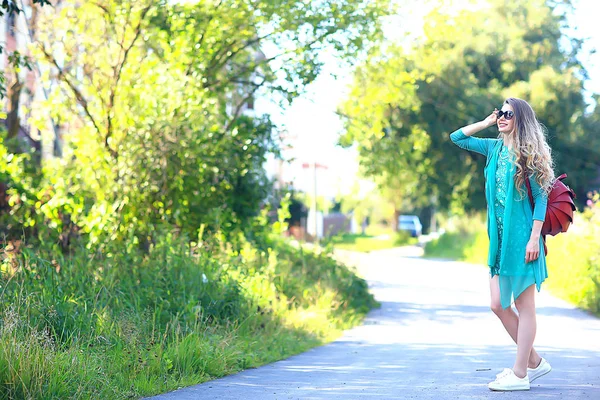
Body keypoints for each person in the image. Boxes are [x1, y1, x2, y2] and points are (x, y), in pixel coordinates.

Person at [450, 98, 554, 391]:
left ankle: (520, 373)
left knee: (525, 304)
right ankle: (534, 361)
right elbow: (457, 137)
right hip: (498, 240)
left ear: (521, 119)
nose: (503, 117)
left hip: (522, 239)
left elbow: (542, 198)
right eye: (501, 113)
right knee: (497, 304)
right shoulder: (493, 148)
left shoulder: (528, 155)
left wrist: (535, 237)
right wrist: (485, 122)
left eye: (509, 114)